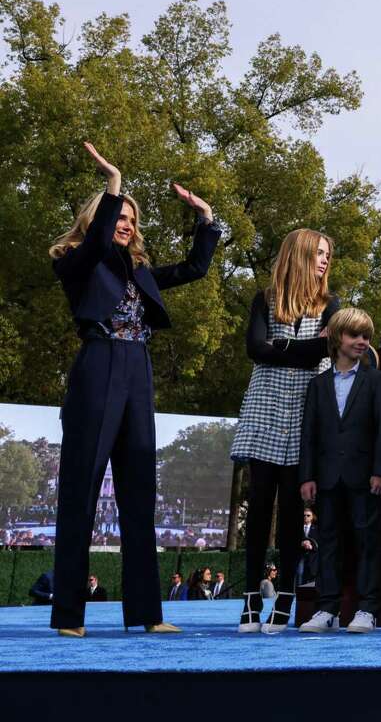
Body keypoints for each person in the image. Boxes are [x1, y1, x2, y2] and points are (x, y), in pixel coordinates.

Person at [49, 142, 217, 638]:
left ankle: (148, 613)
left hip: (138, 370)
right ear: (98, 217)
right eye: (118, 215)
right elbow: (98, 245)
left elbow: (194, 269)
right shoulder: (75, 261)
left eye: (130, 217)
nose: (125, 222)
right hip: (98, 366)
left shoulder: (140, 271)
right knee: (80, 491)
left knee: (140, 493)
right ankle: (69, 617)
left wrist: (207, 220)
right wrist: (113, 184)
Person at [231, 227, 339, 634]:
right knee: (258, 505)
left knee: (295, 507)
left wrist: (280, 348)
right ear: (300, 254)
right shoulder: (265, 299)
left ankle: (287, 600)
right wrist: (298, 350)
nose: (325, 261)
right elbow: (254, 348)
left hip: (305, 409)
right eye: (319, 253)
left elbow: (323, 353)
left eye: (328, 255)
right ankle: (250, 602)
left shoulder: (332, 304)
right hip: (265, 406)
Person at [297, 308, 381, 635]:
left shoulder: (377, 381)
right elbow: (308, 433)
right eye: (355, 335)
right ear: (337, 338)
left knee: (368, 541)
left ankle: (368, 608)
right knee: (329, 542)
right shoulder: (318, 384)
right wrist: (307, 476)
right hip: (326, 476)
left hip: (365, 476)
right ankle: (327, 608)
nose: (362, 341)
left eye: (366, 335)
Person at [298, 507, 319, 587]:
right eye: (304, 515)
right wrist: (302, 543)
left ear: (312, 517)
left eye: (308, 515)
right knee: (300, 574)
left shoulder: (317, 529)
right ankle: (299, 594)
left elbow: (320, 542)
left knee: (312, 576)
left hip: (313, 557)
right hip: (301, 556)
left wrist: (311, 546)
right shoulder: (298, 529)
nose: (306, 517)